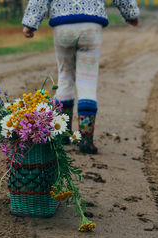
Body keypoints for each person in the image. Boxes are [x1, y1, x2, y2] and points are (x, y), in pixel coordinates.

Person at [22, 0, 139, 154]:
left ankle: (63, 134)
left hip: (62, 25)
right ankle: (86, 139)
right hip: (91, 25)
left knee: (64, 77)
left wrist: (30, 23)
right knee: (87, 81)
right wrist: (130, 13)